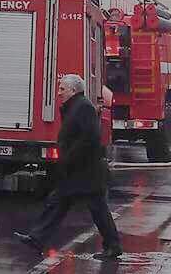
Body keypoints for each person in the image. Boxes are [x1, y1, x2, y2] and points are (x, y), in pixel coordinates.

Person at [16, 74, 123, 259]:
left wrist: (70, 157)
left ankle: (113, 246)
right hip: (77, 169)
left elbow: (90, 137)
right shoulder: (75, 106)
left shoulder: (83, 107)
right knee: (57, 202)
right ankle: (37, 239)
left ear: (73, 90)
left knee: (97, 208)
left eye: (62, 89)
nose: (59, 93)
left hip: (87, 170)